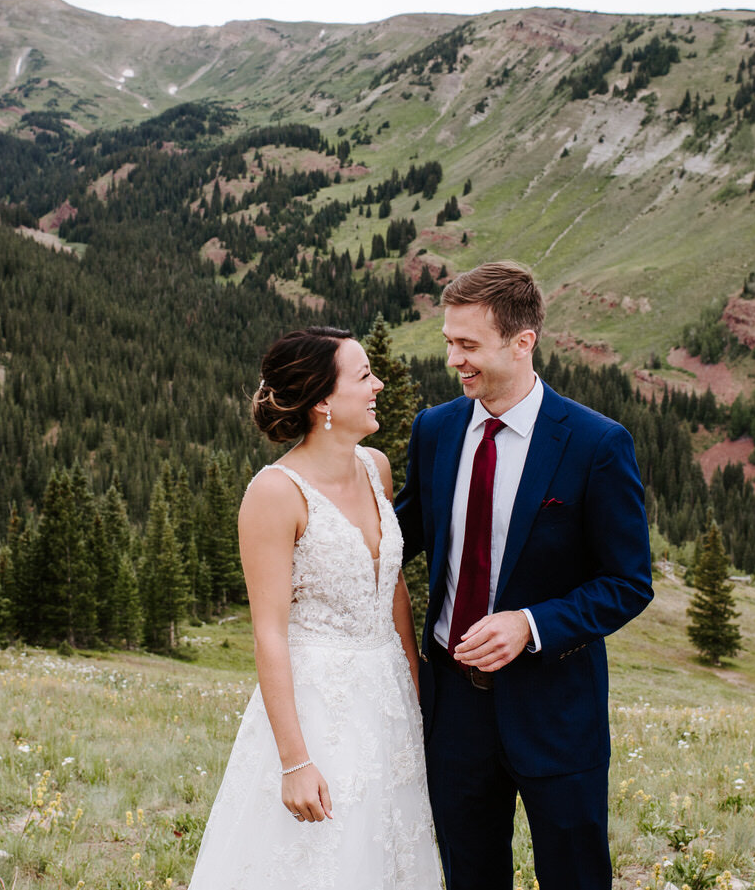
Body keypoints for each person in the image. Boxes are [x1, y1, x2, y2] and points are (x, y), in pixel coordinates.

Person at [395, 263, 654, 890]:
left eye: (468, 345)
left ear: (523, 342)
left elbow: (628, 581)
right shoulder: (434, 430)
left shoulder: (597, 443)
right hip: (452, 707)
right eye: (449, 342)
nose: (454, 359)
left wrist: (532, 625)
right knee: (468, 875)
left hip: (556, 710)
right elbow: (397, 538)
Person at [189, 327, 442, 890]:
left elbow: (391, 586)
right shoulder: (275, 493)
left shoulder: (375, 467)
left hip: (390, 695)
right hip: (319, 705)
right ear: (323, 401)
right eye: (363, 376)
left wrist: (417, 678)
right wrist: (295, 760)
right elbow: (270, 634)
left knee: (388, 848)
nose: (378, 385)